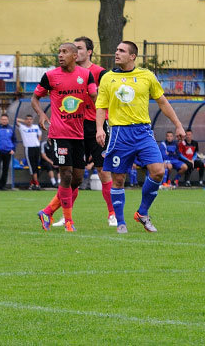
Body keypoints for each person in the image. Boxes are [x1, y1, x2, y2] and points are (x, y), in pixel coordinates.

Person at [96, 41, 185, 234]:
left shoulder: (146, 76)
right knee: (118, 179)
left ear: (132, 56)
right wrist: (99, 129)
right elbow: (101, 106)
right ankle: (120, 222)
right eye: (116, 49)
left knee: (158, 171)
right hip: (119, 133)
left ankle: (142, 213)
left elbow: (162, 102)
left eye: (121, 51)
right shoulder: (107, 78)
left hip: (143, 132)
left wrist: (178, 124)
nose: (116, 53)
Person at [33, 43, 97, 232]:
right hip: (59, 133)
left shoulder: (86, 75)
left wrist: (104, 110)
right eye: (59, 52)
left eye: (64, 52)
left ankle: (47, 211)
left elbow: (94, 95)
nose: (60, 55)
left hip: (80, 133)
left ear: (75, 56)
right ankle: (69, 222)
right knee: (66, 174)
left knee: (77, 179)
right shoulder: (51, 76)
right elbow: (35, 98)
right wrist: (42, 115)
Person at [16, 115, 42, 189]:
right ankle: (36, 183)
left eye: (30, 119)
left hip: (36, 148)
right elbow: (16, 120)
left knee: (36, 165)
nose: (29, 121)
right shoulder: (22, 127)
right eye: (27, 119)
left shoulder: (36, 127)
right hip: (28, 148)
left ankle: (32, 183)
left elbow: (40, 134)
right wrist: (23, 121)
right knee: (32, 166)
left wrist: (38, 142)